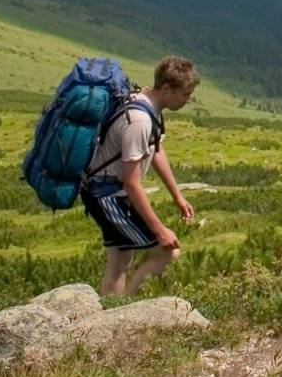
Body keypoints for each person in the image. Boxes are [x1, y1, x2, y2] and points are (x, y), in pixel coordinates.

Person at [80, 55, 201, 297]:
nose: (187, 101)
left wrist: (177, 196)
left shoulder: (146, 103)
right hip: (108, 195)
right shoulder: (140, 120)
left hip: (104, 191)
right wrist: (159, 230)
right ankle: (128, 309)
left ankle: (111, 312)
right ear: (167, 88)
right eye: (185, 94)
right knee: (167, 252)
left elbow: (156, 150)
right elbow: (131, 182)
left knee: (119, 263)